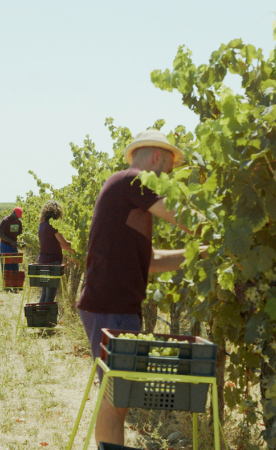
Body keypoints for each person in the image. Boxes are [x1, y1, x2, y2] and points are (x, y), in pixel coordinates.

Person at [76, 129, 205, 446]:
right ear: (157, 158)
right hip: (111, 306)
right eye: (168, 173)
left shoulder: (128, 197)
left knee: (118, 395)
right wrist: (221, 230)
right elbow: (182, 216)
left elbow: (150, 261)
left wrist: (198, 254)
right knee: (116, 394)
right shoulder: (133, 179)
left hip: (115, 305)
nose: (168, 181)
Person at [36, 200, 74, 303]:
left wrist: (71, 249)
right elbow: (64, 243)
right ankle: (47, 318)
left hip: (42, 262)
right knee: (50, 294)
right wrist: (76, 245)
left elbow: (57, 245)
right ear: (56, 212)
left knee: (44, 293)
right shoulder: (53, 225)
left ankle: (41, 317)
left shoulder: (42, 225)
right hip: (52, 264)